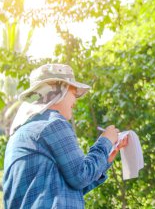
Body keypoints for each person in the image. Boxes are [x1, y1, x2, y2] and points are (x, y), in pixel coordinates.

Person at [3, 64, 128, 208]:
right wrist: (105, 141)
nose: (75, 103)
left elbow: (71, 188)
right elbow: (81, 176)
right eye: (74, 95)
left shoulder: (22, 132)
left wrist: (106, 158)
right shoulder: (52, 123)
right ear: (59, 91)